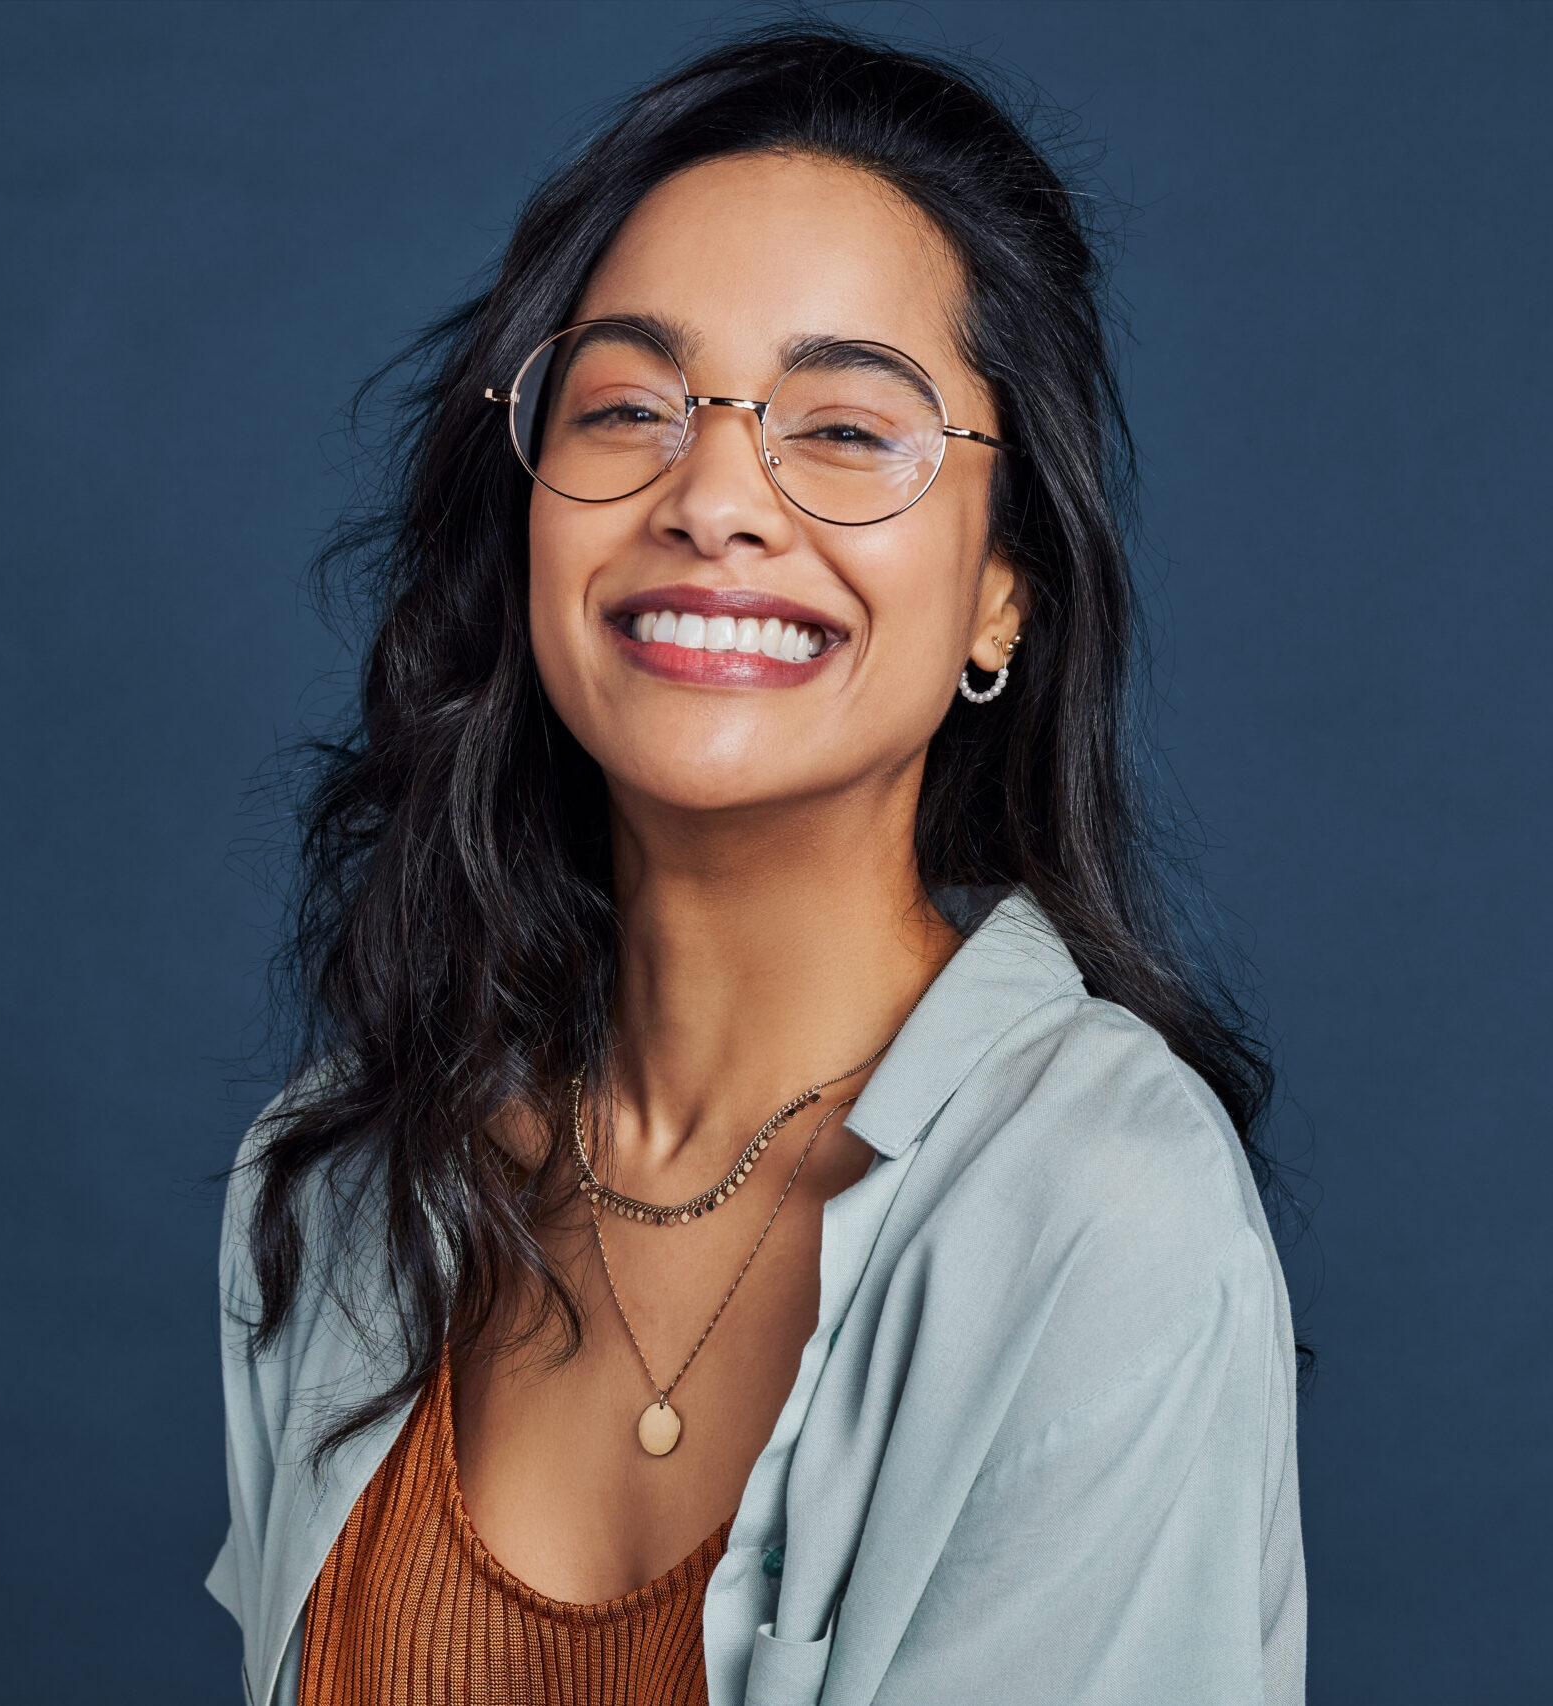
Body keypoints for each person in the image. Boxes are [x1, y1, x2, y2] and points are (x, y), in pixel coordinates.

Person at [206, 28, 1305, 1706]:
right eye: (630, 404)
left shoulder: (1098, 1210)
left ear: (1005, 591)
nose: (714, 492)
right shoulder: (342, 1179)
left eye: (851, 428)